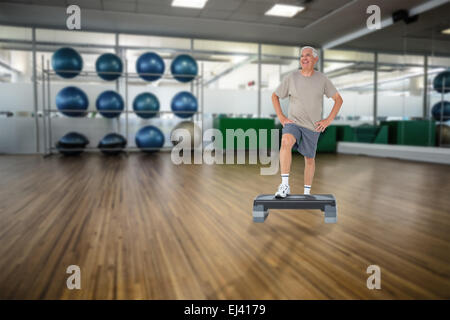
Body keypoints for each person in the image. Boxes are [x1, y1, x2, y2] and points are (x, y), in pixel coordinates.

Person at [272, 46, 343, 198]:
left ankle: (306, 193)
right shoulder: (292, 77)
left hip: (313, 126)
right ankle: (284, 185)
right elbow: (275, 96)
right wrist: (282, 117)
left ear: (315, 59)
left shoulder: (322, 79)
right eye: (302, 56)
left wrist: (328, 120)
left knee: (309, 159)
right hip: (294, 123)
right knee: (285, 141)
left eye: (308, 55)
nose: (304, 58)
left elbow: (338, 99)